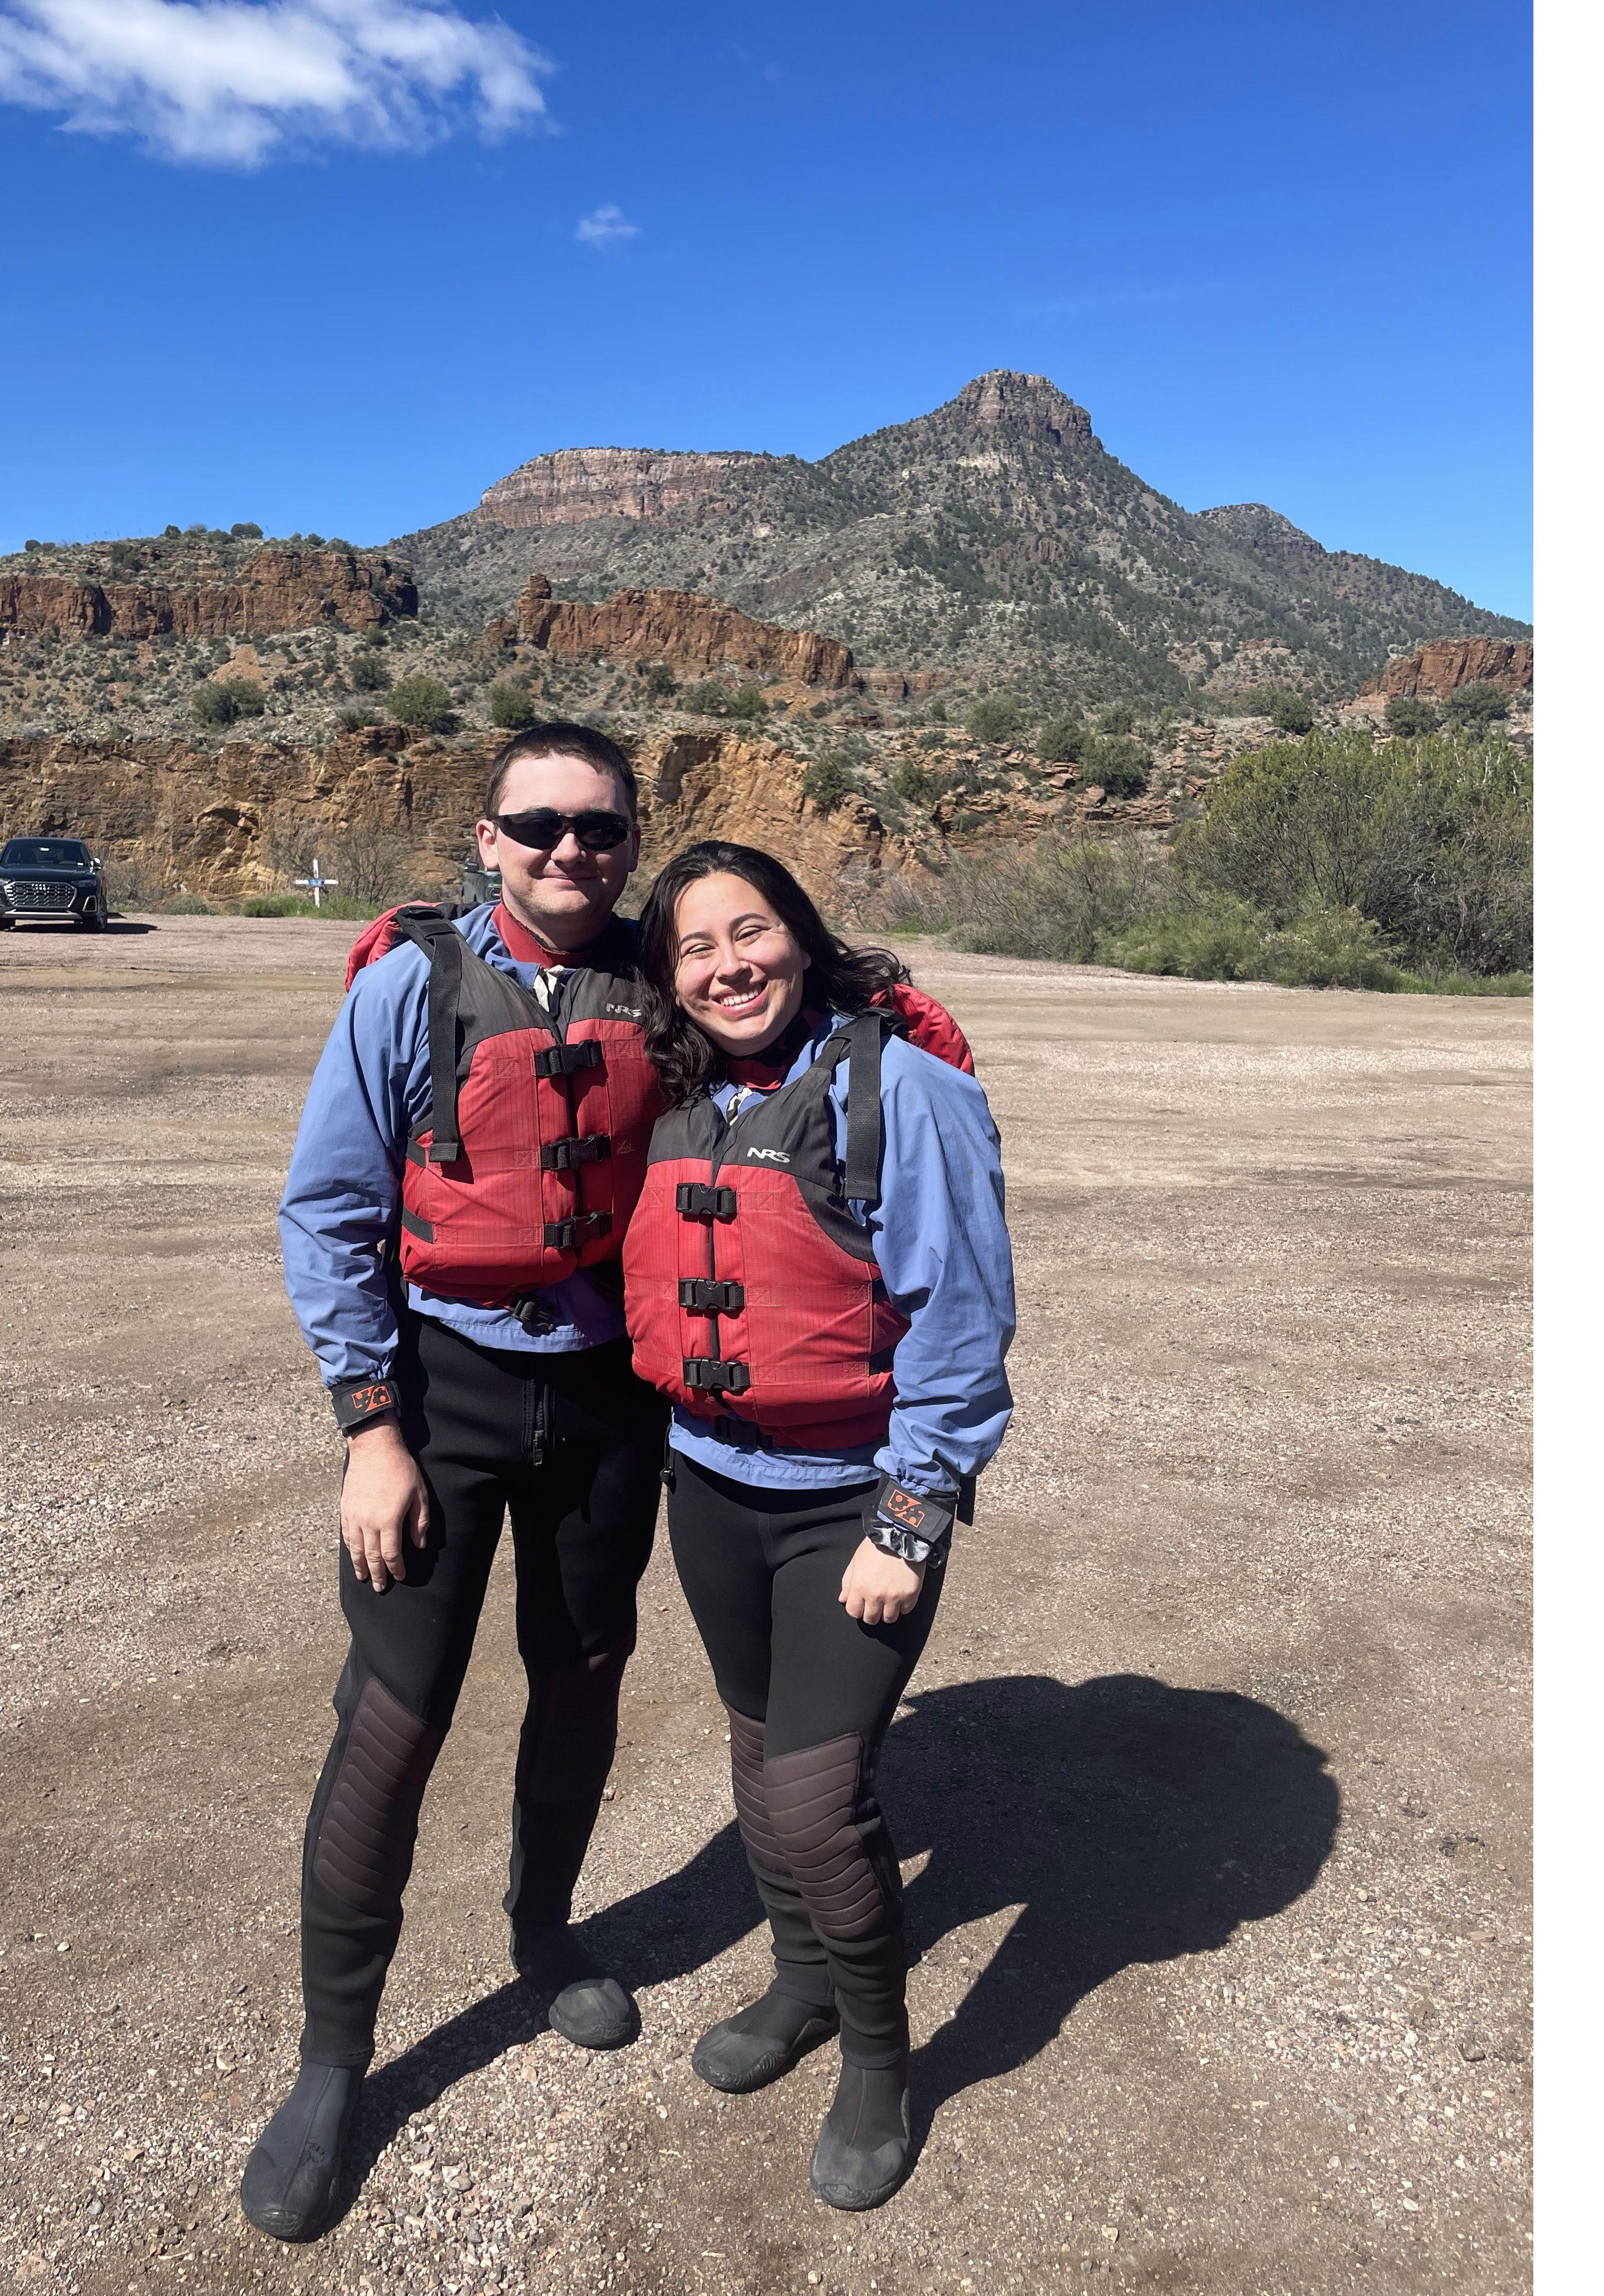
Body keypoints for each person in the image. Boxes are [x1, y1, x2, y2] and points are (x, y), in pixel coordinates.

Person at [242, 725, 670, 2242]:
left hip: (611, 1396)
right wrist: (371, 1429)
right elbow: (328, 1208)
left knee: (585, 1673)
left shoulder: (666, 982)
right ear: (487, 839)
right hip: (443, 1390)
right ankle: (332, 2061)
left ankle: (544, 1933)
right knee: (397, 1712)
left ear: (633, 840)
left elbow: (806, 1046)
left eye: (600, 827)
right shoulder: (408, 987)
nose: (570, 851)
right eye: (538, 825)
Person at [623, 840, 1015, 2211]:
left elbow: (963, 1327)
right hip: (709, 1490)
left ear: (801, 933)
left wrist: (910, 1518)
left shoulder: (906, 1091)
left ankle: (879, 2059)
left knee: (815, 1796)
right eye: (695, 948)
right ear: (669, 976)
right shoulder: (682, 1098)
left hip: (853, 1502)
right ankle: (800, 1980)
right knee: (756, 1755)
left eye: (753, 932)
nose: (730, 967)